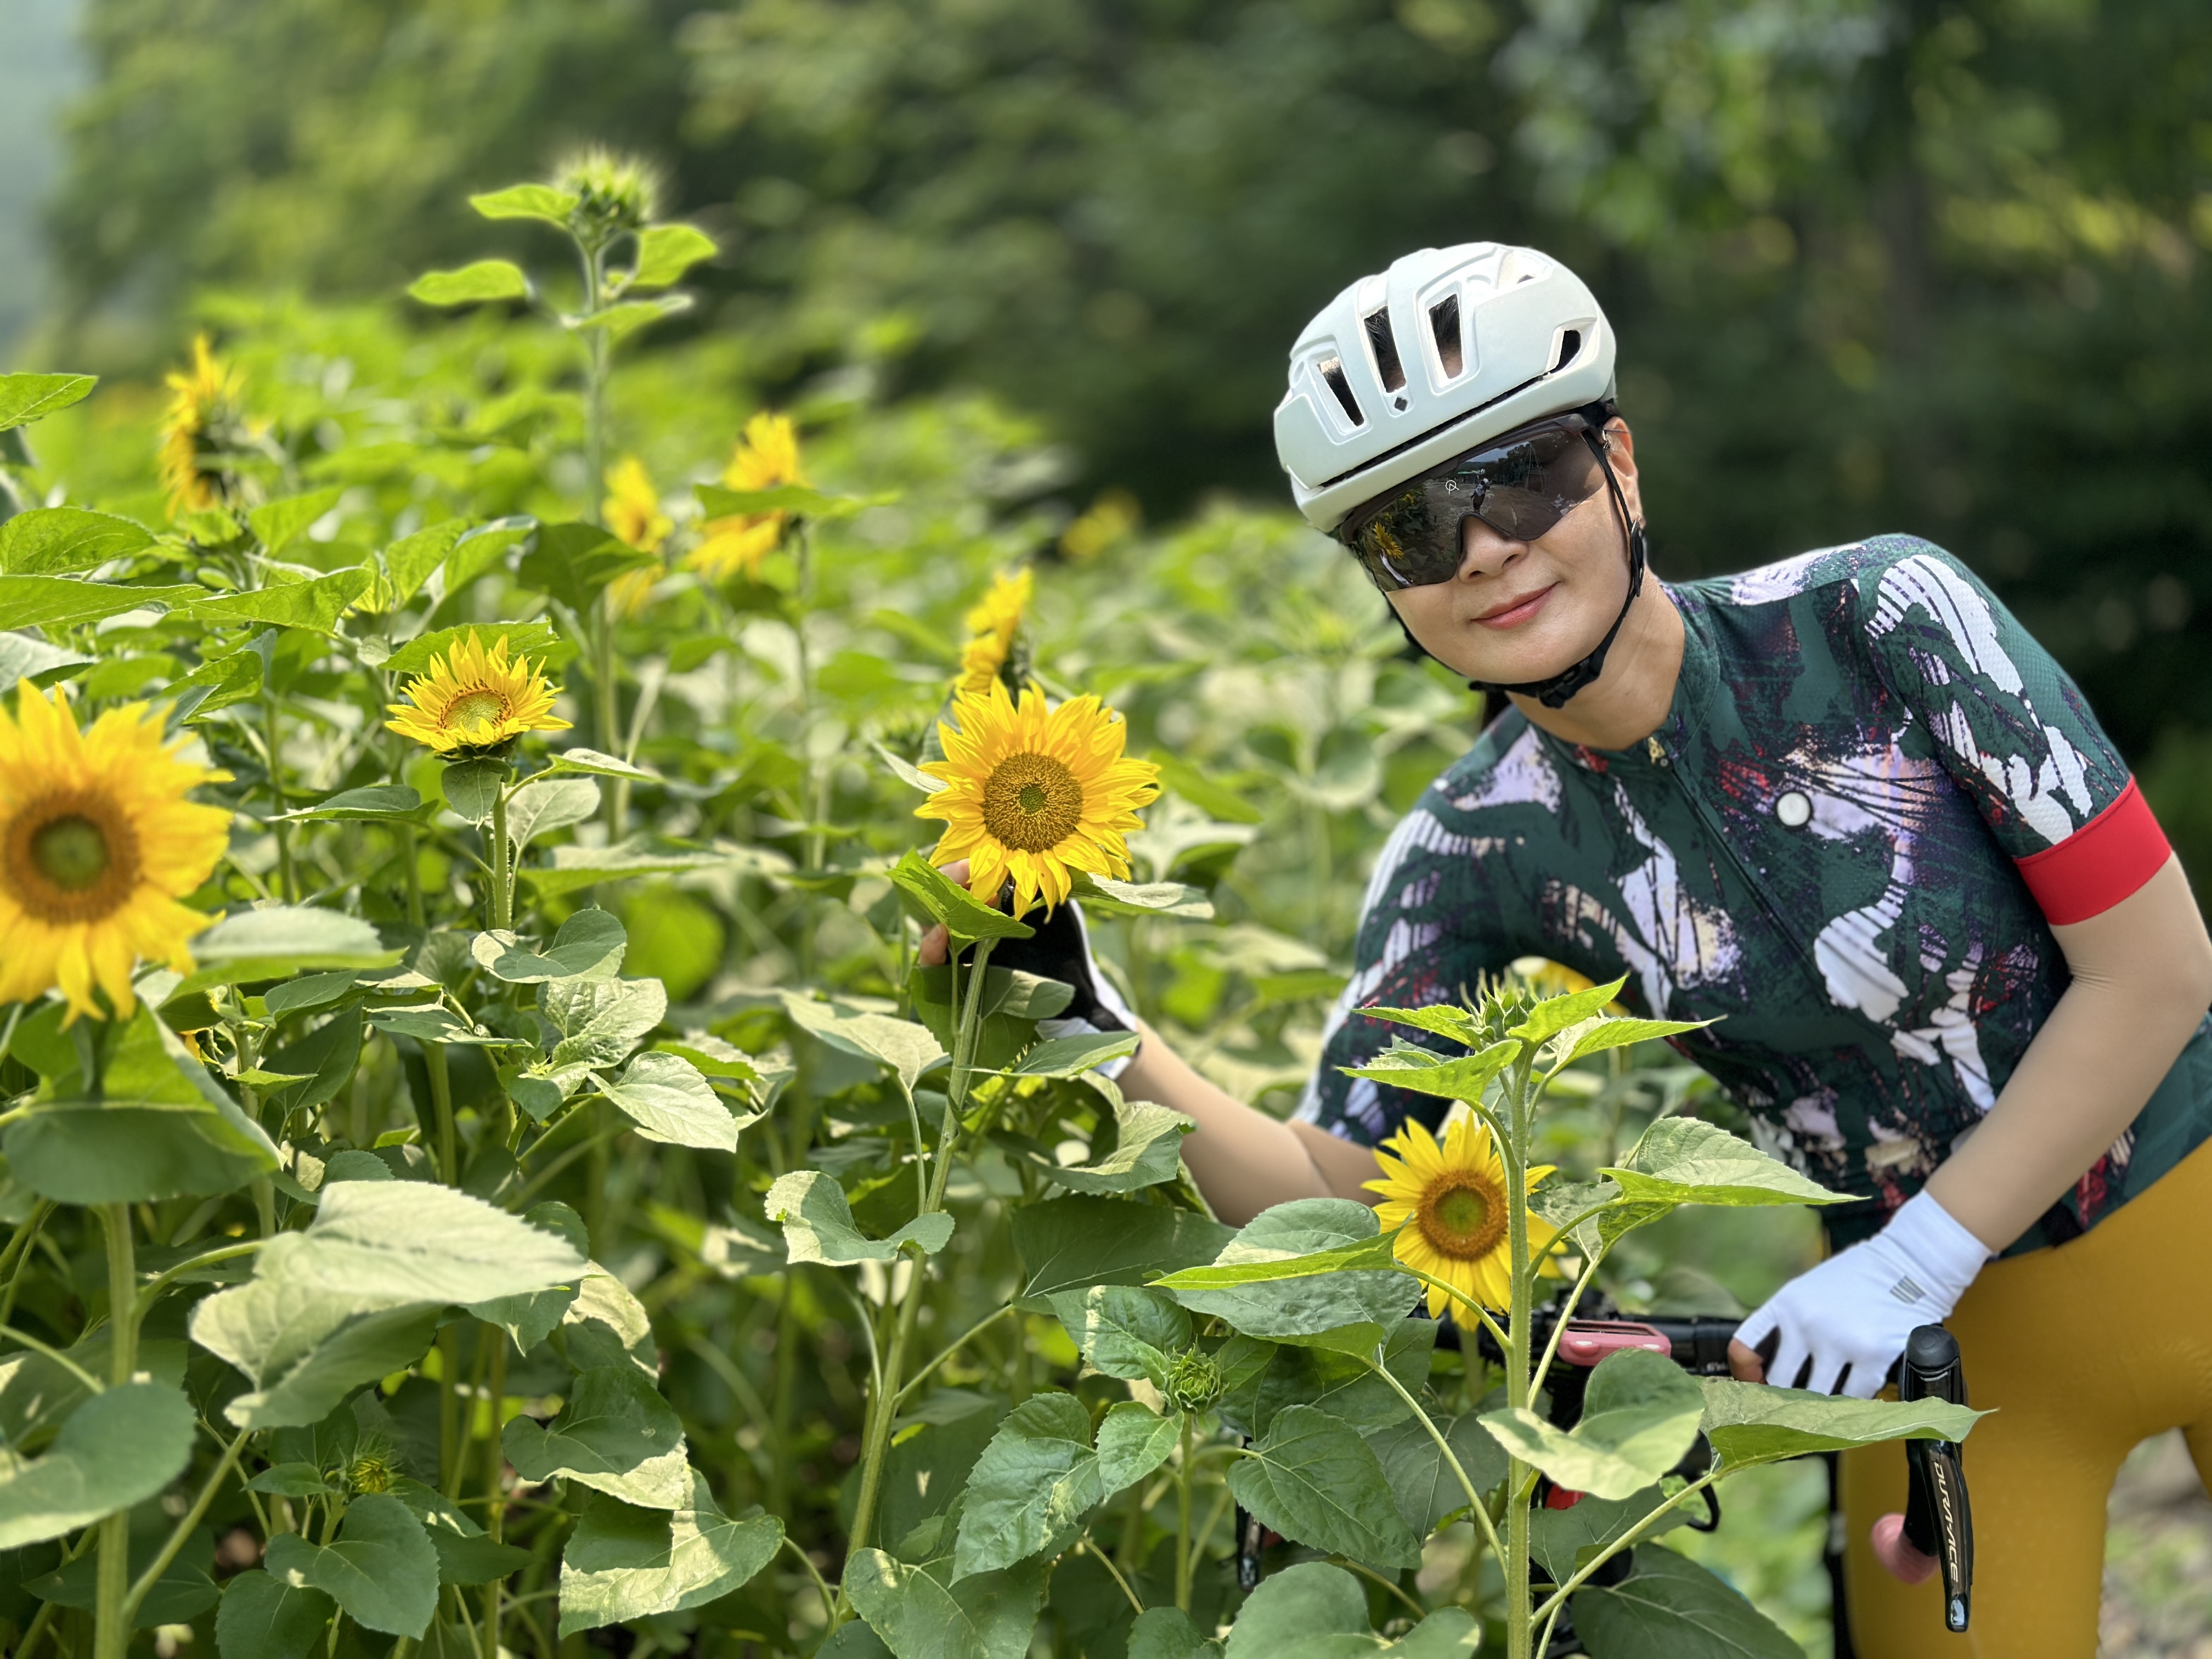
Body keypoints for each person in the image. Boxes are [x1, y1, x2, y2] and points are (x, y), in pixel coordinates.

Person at [920, 241, 2212, 1658]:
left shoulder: (1884, 618)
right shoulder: (1472, 845)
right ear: (1387, 588)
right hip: (1951, 1354)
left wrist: (1917, 1258)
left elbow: (2156, 968)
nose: (1483, 548)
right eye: (1412, 531)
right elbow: (1334, 1190)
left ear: (1620, 468)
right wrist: (1091, 1023)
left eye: (1524, 478)